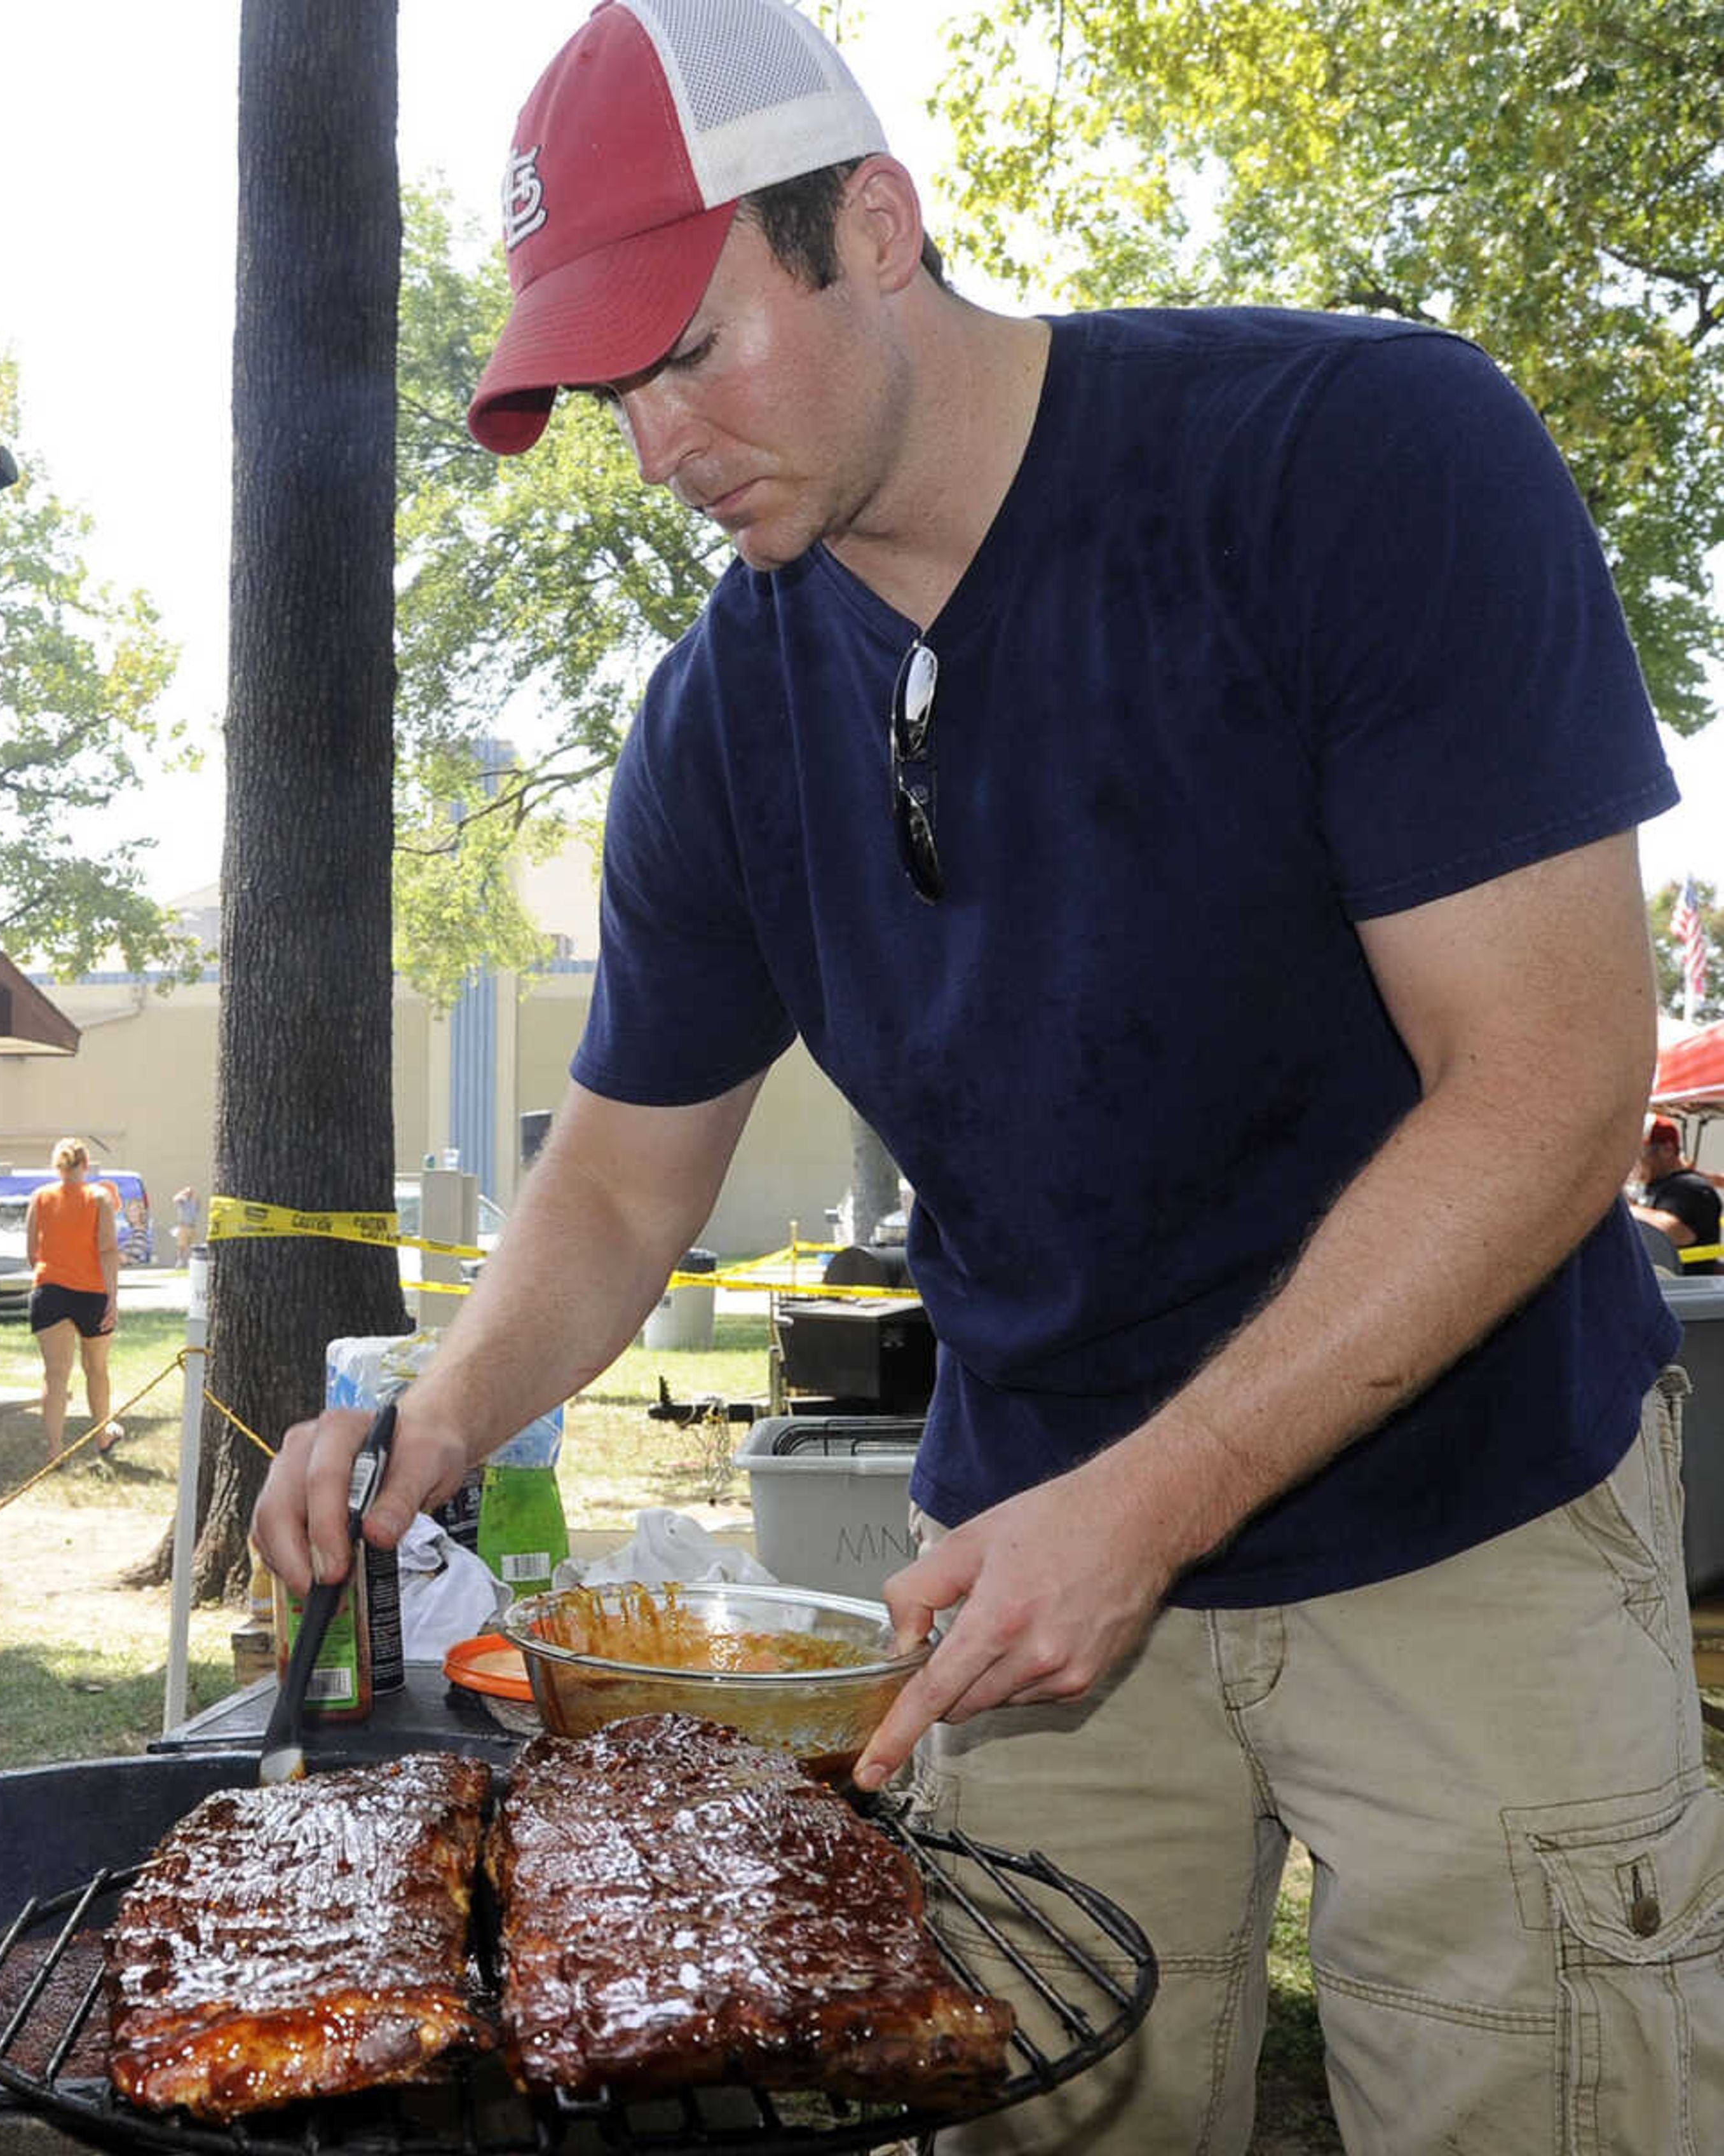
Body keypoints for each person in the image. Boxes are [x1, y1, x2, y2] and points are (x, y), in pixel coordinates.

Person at [253, 4, 1721, 2149]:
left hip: (1464, 1521)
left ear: (874, 222)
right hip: (1019, 1571)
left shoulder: (1352, 461)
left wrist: (1150, 1499)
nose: (655, 442)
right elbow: (621, 1180)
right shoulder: (718, 720)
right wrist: (431, 1417)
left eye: (689, 345)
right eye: (606, 388)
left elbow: (1555, 1083)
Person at [25, 1137, 122, 1463]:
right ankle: (103, 1436)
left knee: (55, 1374)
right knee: (96, 1369)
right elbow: (108, 1249)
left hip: (49, 1291)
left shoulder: (40, 1197)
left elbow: (31, 1253)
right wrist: (113, 1298)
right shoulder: (99, 1197)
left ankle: (54, 1451)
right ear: (85, 1165)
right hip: (91, 1292)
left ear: (58, 1165)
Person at [1632, 1113, 1721, 1271]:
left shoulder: (1690, 1187)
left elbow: (1675, 1232)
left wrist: (1625, 1208)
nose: (1634, 1161)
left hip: (1686, 1289)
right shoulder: (1656, 1184)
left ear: (1667, 1149)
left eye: (1640, 1151)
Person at [172, 1184, 200, 1268]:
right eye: (188, 1193)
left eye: (191, 1193)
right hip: (184, 1226)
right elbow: (175, 1199)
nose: (189, 1194)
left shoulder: (194, 1202)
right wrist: (183, 1193)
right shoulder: (182, 1201)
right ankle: (180, 1261)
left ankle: (193, 1261)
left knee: (194, 1245)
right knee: (181, 1245)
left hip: (192, 1227)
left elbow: (197, 1209)